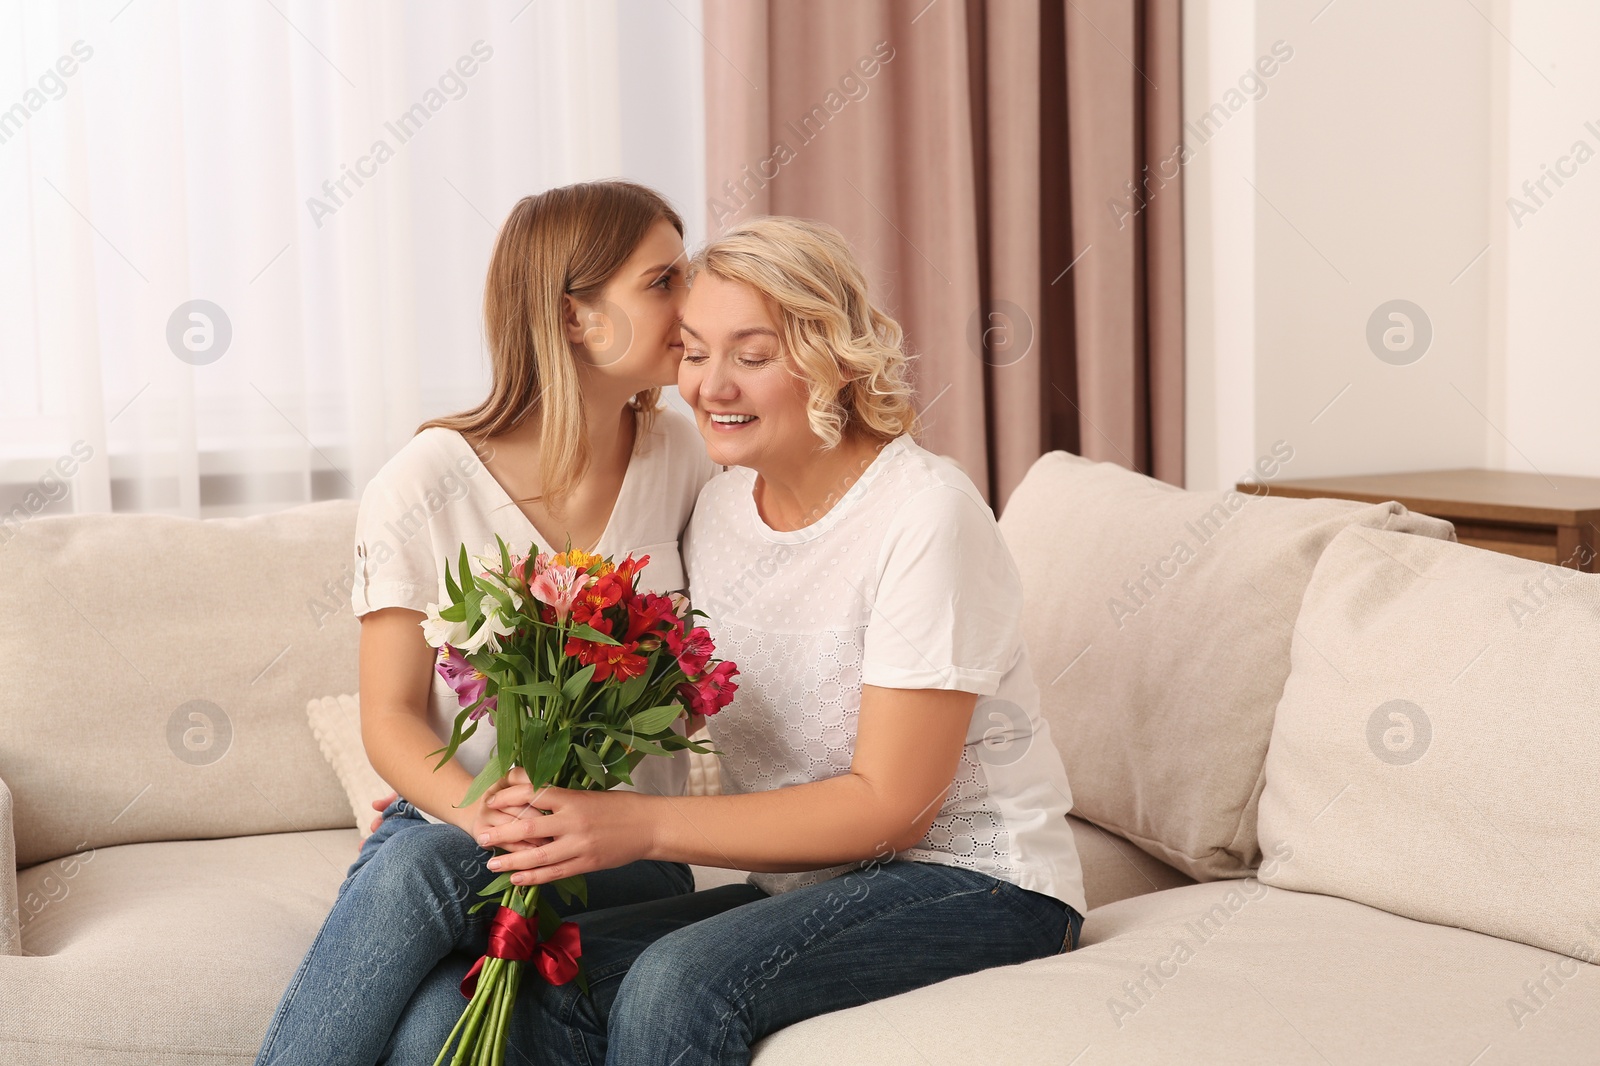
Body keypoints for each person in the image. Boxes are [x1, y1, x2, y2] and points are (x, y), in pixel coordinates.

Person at [418, 216, 1087, 1065]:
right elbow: (627, 676)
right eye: (694, 352)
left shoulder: (925, 514)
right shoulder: (723, 506)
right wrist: (486, 769)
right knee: (520, 977)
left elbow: (893, 805)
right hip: (806, 885)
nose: (711, 386)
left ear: (833, 358)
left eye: (753, 355)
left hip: (978, 882)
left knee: (678, 984)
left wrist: (642, 828)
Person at [254, 179, 718, 1066]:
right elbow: (388, 716)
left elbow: (700, 672)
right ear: (576, 317)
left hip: (619, 859)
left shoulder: (682, 459)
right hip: (453, 840)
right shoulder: (422, 484)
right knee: (433, 1008)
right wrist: (486, 815)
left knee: (430, 967)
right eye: (662, 281)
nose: (689, 302)